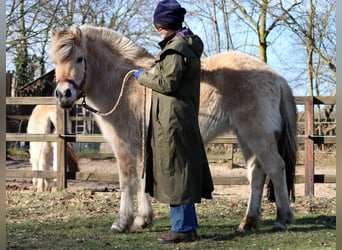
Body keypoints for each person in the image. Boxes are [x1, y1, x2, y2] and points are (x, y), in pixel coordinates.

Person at [134, 0, 214, 244]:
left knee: (176, 174)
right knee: (180, 172)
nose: (157, 29)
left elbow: (167, 84)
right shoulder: (182, 47)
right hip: (177, 119)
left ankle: (183, 227)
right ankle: (186, 225)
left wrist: (142, 77)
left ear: (166, 25)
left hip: (172, 122)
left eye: (159, 25)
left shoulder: (176, 50)